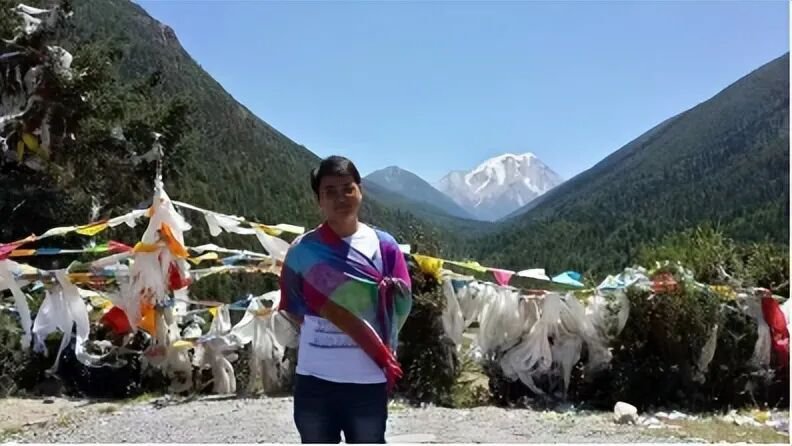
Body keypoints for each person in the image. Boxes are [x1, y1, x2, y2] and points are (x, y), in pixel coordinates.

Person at [276, 155, 413, 444]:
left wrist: (370, 337)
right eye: (330, 191)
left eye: (348, 189)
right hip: (314, 380)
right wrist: (338, 319)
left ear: (360, 191)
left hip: (367, 380)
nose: (341, 198)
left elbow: (401, 304)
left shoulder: (385, 247)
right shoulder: (302, 251)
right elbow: (293, 306)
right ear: (319, 200)